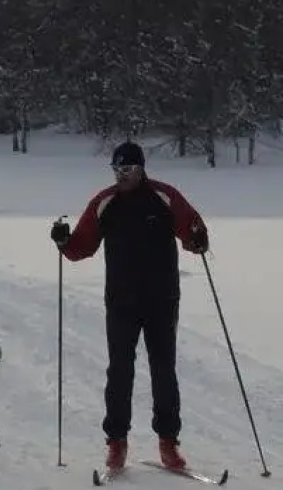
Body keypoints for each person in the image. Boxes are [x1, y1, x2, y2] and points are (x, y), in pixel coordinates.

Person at [51, 140, 209, 472]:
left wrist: (197, 237)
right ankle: (116, 443)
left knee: (163, 369)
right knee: (119, 370)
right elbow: (82, 246)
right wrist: (64, 241)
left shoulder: (164, 197)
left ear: (141, 169)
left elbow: (190, 229)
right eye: (117, 170)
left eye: (128, 169)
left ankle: (168, 443)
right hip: (121, 300)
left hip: (162, 298)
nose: (122, 176)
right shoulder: (105, 202)